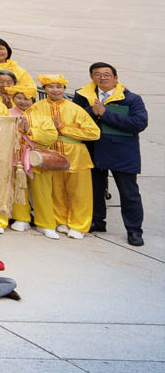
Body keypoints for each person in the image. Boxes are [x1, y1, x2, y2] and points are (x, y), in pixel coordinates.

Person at [74, 61, 146, 246]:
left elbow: (138, 124)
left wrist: (105, 113)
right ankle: (97, 221)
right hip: (93, 150)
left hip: (121, 152)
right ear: (92, 78)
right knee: (95, 190)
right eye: (97, 74)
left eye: (107, 74)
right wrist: (92, 110)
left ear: (115, 78)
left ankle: (134, 230)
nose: (102, 77)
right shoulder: (83, 96)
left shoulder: (131, 99)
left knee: (128, 193)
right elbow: (74, 119)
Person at [28, 72, 100, 239]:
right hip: (49, 153)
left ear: (64, 89)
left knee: (80, 193)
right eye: (51, 86)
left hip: (76, 155)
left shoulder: (75, 109)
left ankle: (79, 225)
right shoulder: (37, 107)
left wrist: (63, 128)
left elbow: (94, 133)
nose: (55, 90)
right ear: (45, 89)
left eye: (59, 86)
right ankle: (60, 221)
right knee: (56, 190)